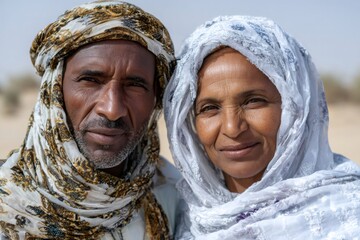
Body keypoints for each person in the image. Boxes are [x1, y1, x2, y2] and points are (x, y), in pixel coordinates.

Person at [164, 15, 360, 239]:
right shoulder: (177, 214)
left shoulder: (348, 216)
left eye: (253, 101)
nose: (232, 128)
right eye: (209, 107)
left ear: (295, 108)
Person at [0, 1, 180, 239]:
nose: (112, 109)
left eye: (135, 85)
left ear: (155, 98)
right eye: (90, 80)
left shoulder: (174, 196)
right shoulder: (8, 201)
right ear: (54, 91)